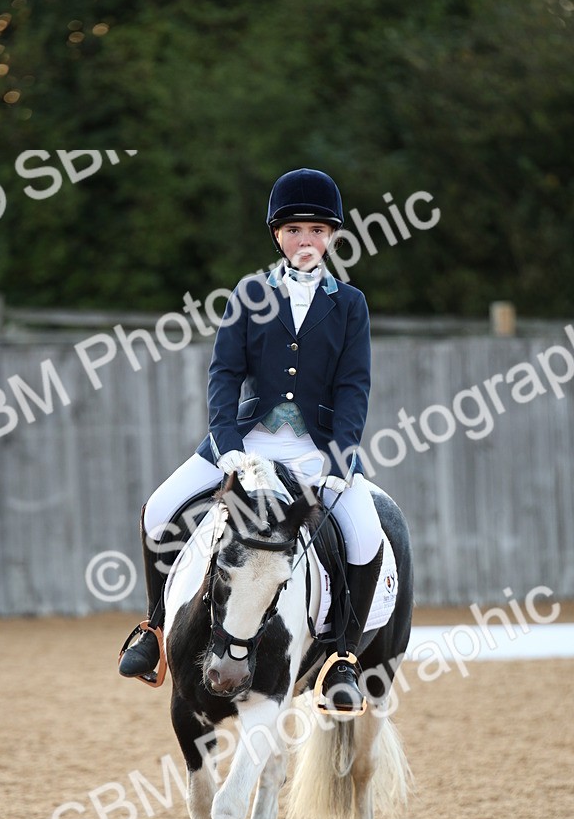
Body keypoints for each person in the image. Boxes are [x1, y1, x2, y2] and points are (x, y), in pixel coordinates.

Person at [119, 167, 384, 711]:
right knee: (158, 509)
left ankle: (343, 658)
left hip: (317, 448)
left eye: (316, 230)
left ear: (332, 235)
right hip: (248, 439)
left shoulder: (350, 303)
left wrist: (343, 455)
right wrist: (225, 442)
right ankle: (154, 628)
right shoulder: (250, 292)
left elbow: (355, 385)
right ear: (277, 236)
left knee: (365, 535)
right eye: (294, 231)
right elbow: (223, 373)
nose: (305, 240)